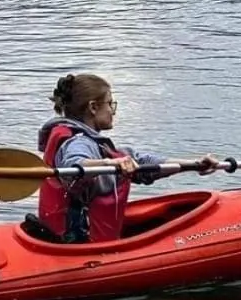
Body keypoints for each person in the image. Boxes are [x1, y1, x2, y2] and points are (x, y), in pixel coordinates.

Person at [33, 73, 219, 243]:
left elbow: (144, 163)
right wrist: (110, 163)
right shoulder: (79, 142)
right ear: (93, 107)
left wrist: (195, 164)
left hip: (79, 239)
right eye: (110, 104)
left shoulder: (96, 143)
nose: (113, 111)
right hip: (77, 243)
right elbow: (74, 165)